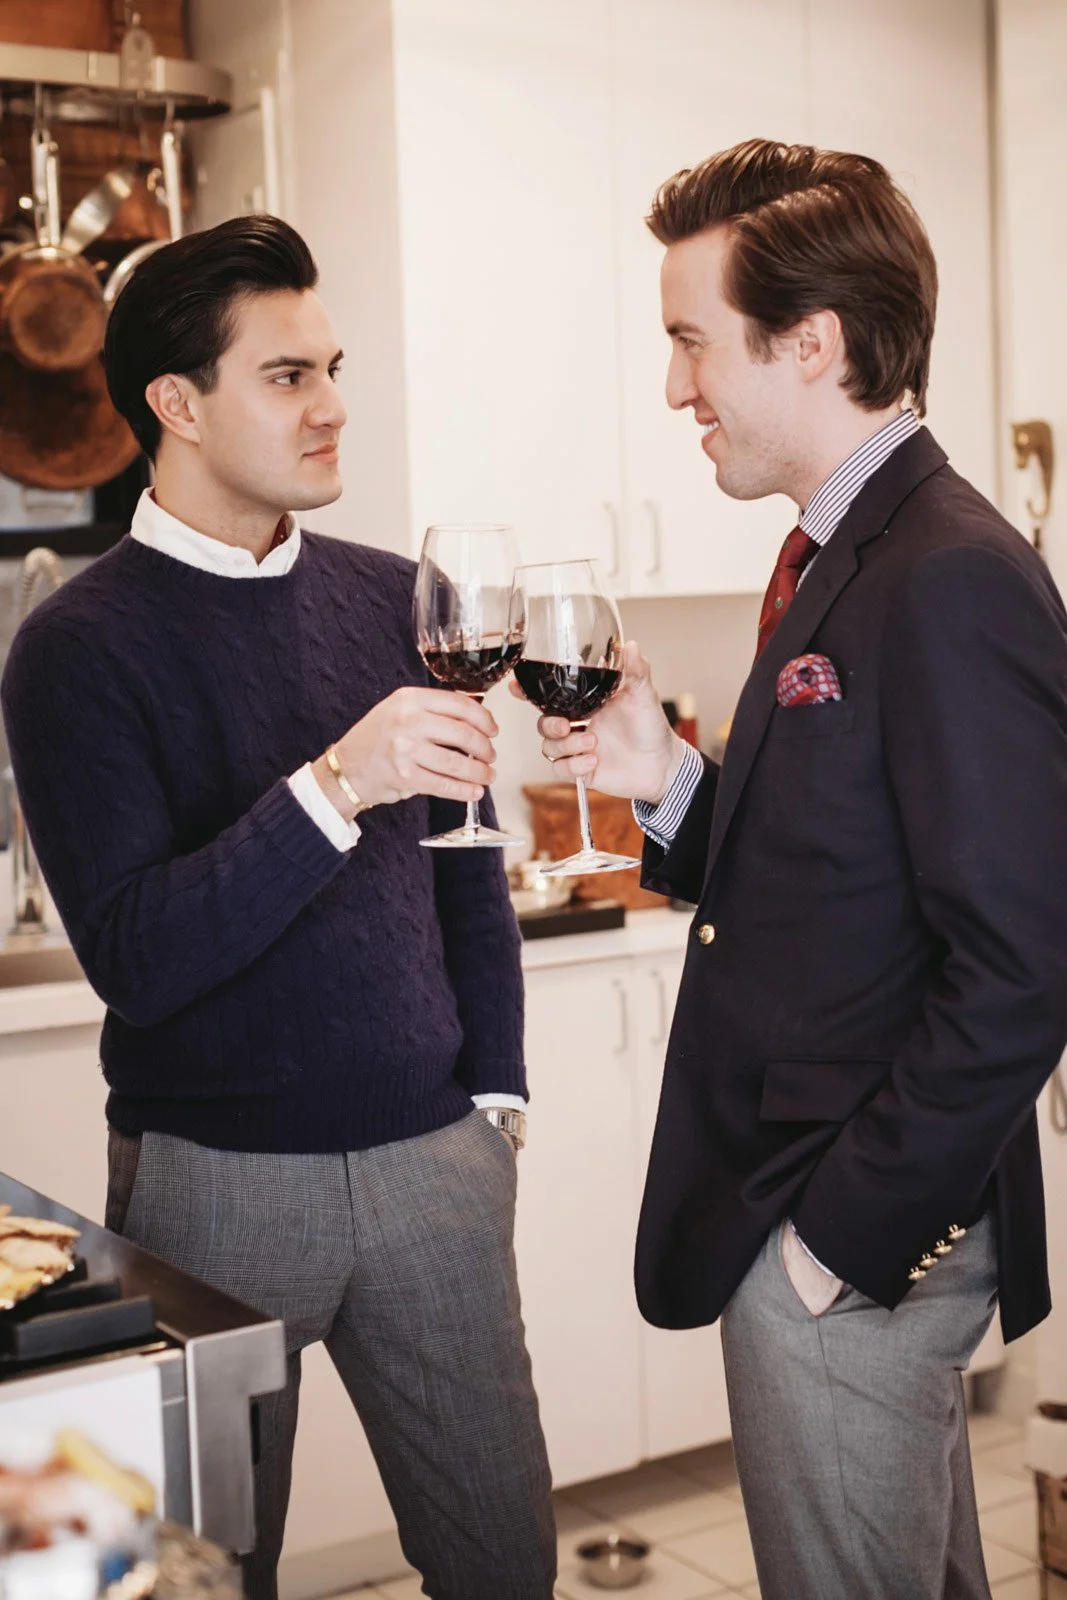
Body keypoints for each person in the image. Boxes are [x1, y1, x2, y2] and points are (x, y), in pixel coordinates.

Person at [526, 138, 1067, 1599]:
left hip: (845, 1228)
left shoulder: (941, 570)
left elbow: (1024, 966)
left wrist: (834, 1247)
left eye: (690, 341)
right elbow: (843, 875)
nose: (673, 386)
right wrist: (671, 784)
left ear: (810, 342)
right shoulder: (841, 553)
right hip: (818, 1214)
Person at [2, 215, 555, 1600]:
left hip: (438, 1168)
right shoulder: (74, 650)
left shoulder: (392, 597)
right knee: (199, 1575)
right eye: (288, 376)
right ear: (178, 407)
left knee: (502, 1562)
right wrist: (333, 783)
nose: (333, 405)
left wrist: (495, 1096)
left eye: (332, 366)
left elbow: (464, 866)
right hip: (215, 1191)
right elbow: (138, 957)